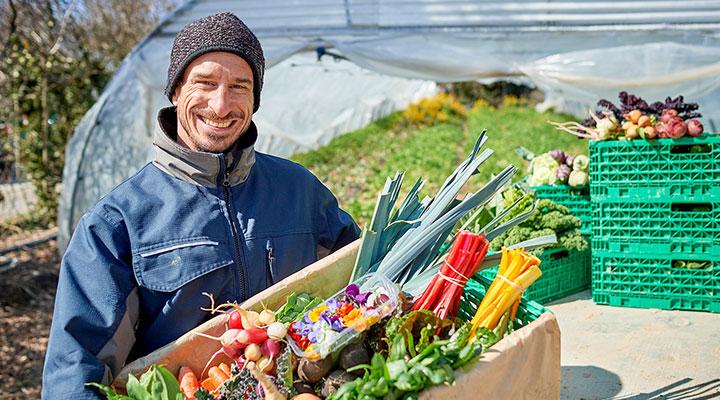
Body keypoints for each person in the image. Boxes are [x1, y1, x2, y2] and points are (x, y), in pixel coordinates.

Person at [42, 12, 360, 399]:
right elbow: (78, 370)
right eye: (204, 83)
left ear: (255, 99)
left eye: (240, 86)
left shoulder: (300, 190)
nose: (221, 105)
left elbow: (357, 282)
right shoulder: (116, 222)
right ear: (176, 91)